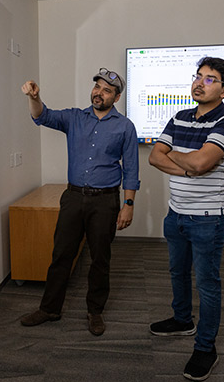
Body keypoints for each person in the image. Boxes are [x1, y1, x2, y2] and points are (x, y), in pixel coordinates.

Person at [19, 68, 140, 336]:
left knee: (100, 259)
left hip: (105, 201)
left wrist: (128, 205)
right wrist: (34, 98)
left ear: (116, 97)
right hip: (73, 198)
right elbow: (42, 116)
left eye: (107, 90)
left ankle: (95, 311)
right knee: (61, 255)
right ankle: (50, 308)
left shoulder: (125, 127)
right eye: (97, 87)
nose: (99, 93)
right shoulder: (74, 117)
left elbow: (131, 169)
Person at [148, 56, 224, 381]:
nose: (200, 83)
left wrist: (179, 156)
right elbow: (154, 157)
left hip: (207, 218)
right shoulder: (179, 117)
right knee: (177, 272)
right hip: (175, 213)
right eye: (198, 76)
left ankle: (205, 347)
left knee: (207, 283)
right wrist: (189, 165)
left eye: (210, 79)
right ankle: (182, 320)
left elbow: (201, 163)